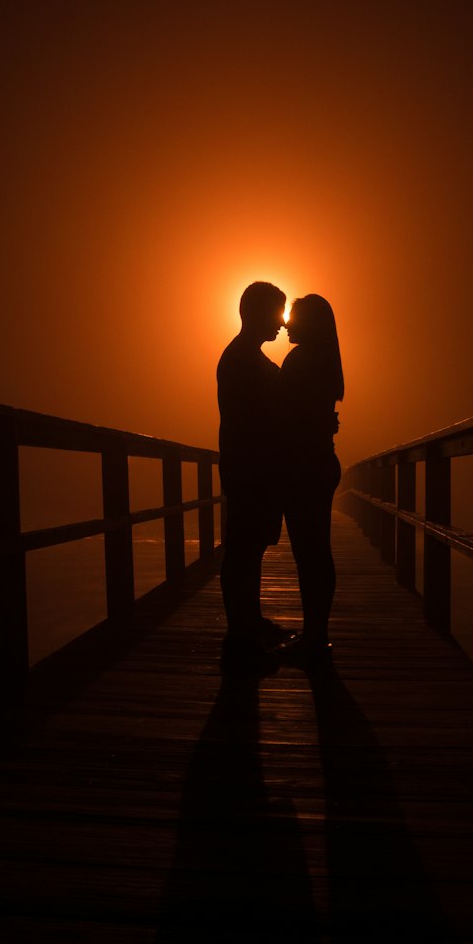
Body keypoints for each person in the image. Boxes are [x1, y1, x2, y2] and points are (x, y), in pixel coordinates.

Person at [216, 280, 291, 665]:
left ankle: (249, 622)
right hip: (250, 468)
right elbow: (254, 420)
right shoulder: (243, 360)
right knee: (243, 551)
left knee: (251, 550)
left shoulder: (245, 356)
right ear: (255, 313)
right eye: (276, 313)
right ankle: (239, 639)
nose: (282, 322)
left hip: (254, 467)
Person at [277, 293, 344, 666]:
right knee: (319, 552)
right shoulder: (325, 361)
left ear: (311, 324)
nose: (286, 324)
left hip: (304, 467)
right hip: (321, 462)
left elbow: (283, 417)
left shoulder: (301, 360)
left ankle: (315, 638)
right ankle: (317, 632)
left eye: (294, 317)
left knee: (310, 555)